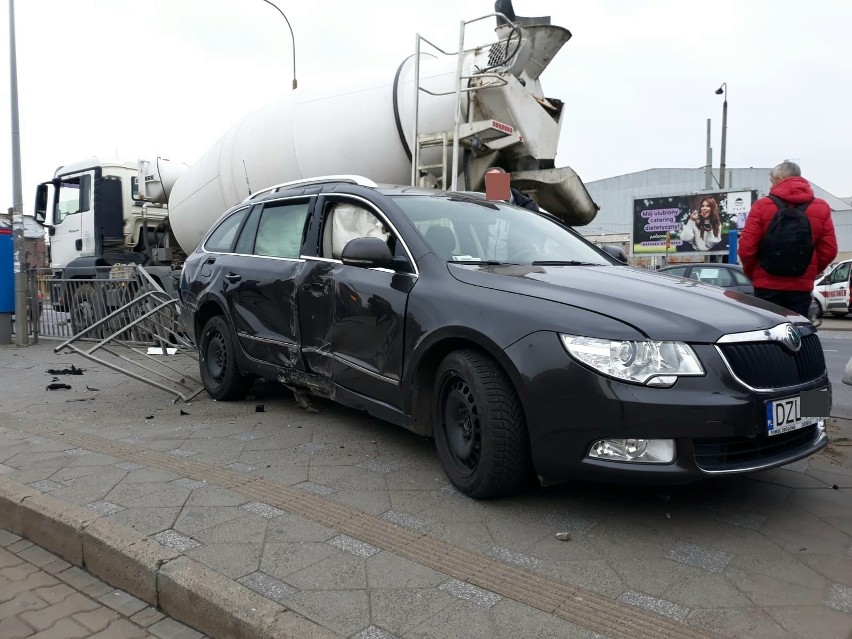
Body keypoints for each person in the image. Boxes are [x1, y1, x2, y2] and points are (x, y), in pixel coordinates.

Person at [738, 161, 837, 317]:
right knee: (798, 333)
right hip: (800, 286)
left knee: (768, 334)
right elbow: (829, 250)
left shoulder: (762, 205)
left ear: (780, 177)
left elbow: (746, 249)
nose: (771, 187)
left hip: (766, 285)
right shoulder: (821, 207)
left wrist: (755, 274)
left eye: (772, 181)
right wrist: (809, 270)